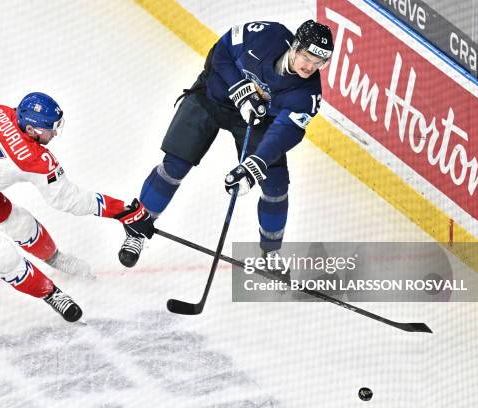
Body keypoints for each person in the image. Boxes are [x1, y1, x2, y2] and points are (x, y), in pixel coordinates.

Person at [0, 92, 154, 322]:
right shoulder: (34, 159)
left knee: (21, 223)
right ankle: (50, 293)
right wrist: (125, 211)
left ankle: (56, 260)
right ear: (32, 129)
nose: (56, 134)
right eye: (52, 128)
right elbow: (69, 200)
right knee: (0, 252)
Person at [118, 20, 334, 267]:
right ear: (295, 47)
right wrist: (240, 90)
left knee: (275, 185)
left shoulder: (308, 95)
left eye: (319, 63)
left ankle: (271, 253)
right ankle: (137, 228)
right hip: (212, 97)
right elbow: (220, 52)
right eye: (307, 57)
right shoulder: (267, 34)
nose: (310, 67)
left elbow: (285, 131)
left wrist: (256, 164)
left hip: (257, 120)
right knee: (174, 165)